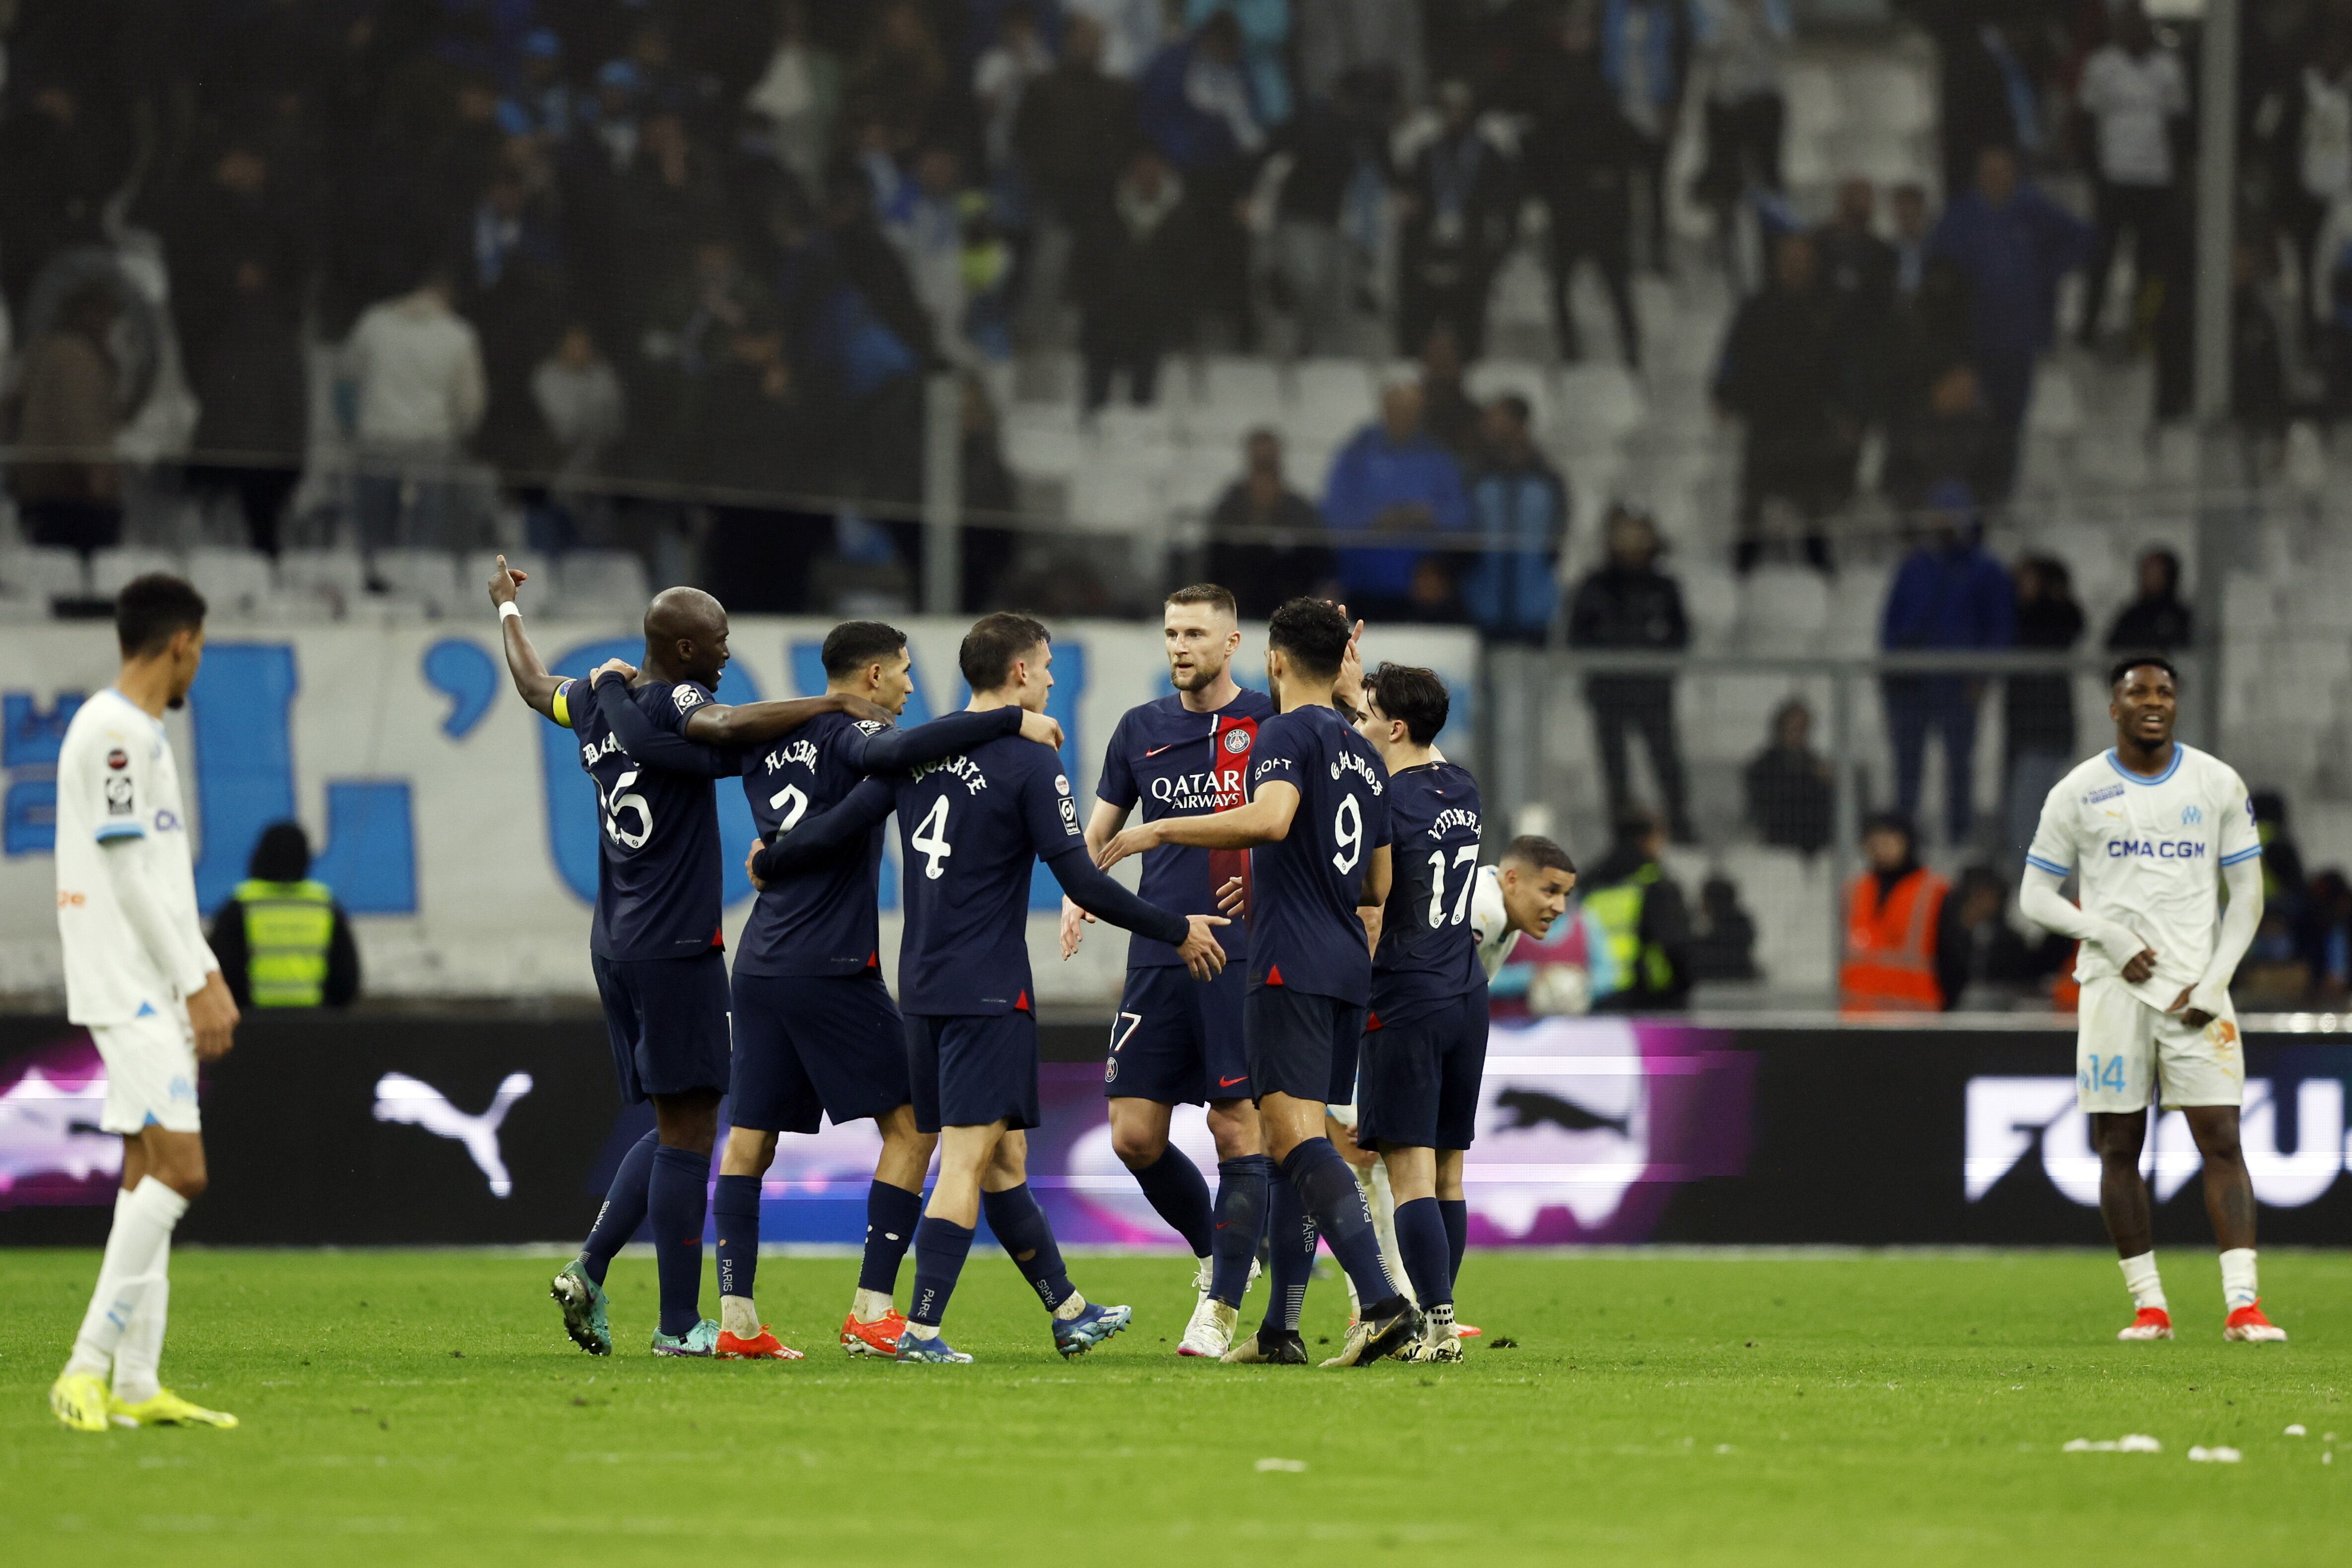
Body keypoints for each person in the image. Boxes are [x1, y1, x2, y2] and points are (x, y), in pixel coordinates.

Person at [757, 613, 1228, 1364]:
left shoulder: (919, 752)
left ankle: (1068, 1308)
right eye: (1042, 667)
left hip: (922, 983)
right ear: (1017, 673)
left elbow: (841, 822)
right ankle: (919, 1329)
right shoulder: (1029, 761)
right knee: (969, 1161)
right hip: (988, 990)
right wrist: (1175, 927)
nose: (1048, 679)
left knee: (1003, 1156)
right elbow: (1080, 880)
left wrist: (775, 859)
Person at [604, 620, 1064, 1357]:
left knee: (749, 1140)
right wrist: (1010, 719)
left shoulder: (759, 737)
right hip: (831, 964)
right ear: (873, 677)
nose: (913, 686)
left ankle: (737, 1319)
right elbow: (904, 754)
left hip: (758, 963)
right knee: (914, 1128)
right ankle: (873, 1309)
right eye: (905, 672)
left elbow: (656, 747)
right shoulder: (852, 734)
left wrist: (605, 690)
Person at [488, 561, 880, 1358]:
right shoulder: (672, 700)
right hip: (675, 944)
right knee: (690, 1130)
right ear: (684, 645)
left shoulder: (602, 704)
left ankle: (593, 1268)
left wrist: (506, 610)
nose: (729, 653)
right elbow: (727, 727)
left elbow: (533, 687)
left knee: (679, 1122)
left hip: (617, 942)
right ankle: (677, 1324)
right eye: (720, 641)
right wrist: (833, 701)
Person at [1097, 598, 1421, 1368]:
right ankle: (1279, 1330)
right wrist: (1272, 878)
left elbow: (1272, 818)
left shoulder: (1279, 732)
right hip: (1344, 958)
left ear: (1272, 660)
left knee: (1294, 1138)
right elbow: (1374, 879)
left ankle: (1380, 1301)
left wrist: (1160, 827)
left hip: (1288, 961)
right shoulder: (1361, 749)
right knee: (1288, 1147)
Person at [2018, 656, 2282, 1344]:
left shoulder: (2215, 781)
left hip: (2200, 988)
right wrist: (2103, 930)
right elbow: (2035, 895)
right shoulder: (2078, 791)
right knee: (2117, 1144)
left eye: (2164, 690)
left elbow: (2247, 892)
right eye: (2138, 691)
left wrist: (2218, 978)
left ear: (2176, 704)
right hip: (2112, 991)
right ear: (2114, 706)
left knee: (2221, 1137)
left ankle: (2243, 1306)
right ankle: (2149, 1307)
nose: (2153, 700)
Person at [1061, 585, 1279, 1359]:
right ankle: (1218, 1254)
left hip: (1243, 951)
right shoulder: (1140, 728)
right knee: (1134, 1133)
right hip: (1157, 950)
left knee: (1233, 1125)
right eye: (1170, 632)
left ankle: (1218, 1309)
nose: (1178, 646)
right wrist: (1077, 894)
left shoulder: (1269, 723)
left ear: (1232, 643)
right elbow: (1099, 831)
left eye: (1194, 633)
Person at [48, 575, 242, 1433]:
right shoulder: (117, 734)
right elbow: (126, 873)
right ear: (183, 642)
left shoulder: (136, 735)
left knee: (142, 1170)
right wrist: (199, 975)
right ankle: (84, 1367)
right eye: (200, 645)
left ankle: (134, 1379)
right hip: (130, 983)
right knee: (182, 1169)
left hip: (143, 980)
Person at [1351, 662, 1488, 1363]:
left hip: (1406, 992)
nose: (1355, 722)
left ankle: (1435, 1325)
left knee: (1406, 1175)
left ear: (1395, 727)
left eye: (1365, 712)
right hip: (1467, 993)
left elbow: (1369, 900)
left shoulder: (1380, 802)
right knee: (1447, 1174)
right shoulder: (1463, 787)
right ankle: (1446, 1316)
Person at [1926, 146, 2092, 498]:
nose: (1995, 179)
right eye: (1988, 171)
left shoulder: (2032, 209)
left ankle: (2001, 491)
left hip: (2018, 339)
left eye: (2002, 171)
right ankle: (1968, 491)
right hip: (1973, 341)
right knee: (1970, 420)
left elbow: (2082, 237)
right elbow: (1938, 268)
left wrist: (2047, 273)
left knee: (2010, 420)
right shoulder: (1960, 216)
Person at [1712, 231, 1855, 573]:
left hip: (1811, 423)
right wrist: (1723, 396)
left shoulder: (1831, 309)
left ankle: (1820, 570)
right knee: (1752, 502)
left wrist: (1848, 412)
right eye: (1788, 260)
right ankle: (1742, 569)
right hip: (1765, 422)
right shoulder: (1755, 308)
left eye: (1802, 260)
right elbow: (1731, 358)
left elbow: (1844, 367)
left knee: (1813, 508)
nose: (1795, 267)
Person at [1880, 482, 2013, 847]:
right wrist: (1891, 674)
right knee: (1907, 768)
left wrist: (1981, 675)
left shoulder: (1985, 570)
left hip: (1957, 684)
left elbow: (1998, 628)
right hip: (1910, 684)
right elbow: (1891, 623)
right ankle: (1903, 841)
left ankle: (1959, 839)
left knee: (1959, 766)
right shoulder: (1915, 566)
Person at [1568, 507, 1695, 844]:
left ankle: (1680, 824)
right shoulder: (1595, 585)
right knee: (1615, 767)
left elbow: (1680, 634)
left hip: (1652, 690)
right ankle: (1622, 833)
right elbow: (1576, 634)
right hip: (1609, 691)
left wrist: (1655, 658)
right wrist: (1606, 653)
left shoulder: (1663, 586)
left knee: (1665, 759)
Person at [349, 268, 489, 553]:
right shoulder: (458, 334)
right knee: (426, 546)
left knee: (375, 541)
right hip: (432, 450)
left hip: (378, 445)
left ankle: (373, 595)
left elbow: (348, 378)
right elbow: (471, 406)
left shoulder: (373, 324)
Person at [2075, 4, 2187, 351]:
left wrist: (2178, 177)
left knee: (2149, 263)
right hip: (2114, 179)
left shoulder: (2168, 68)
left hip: (2155, 182)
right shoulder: (2100, 66)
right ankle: (2088, 327)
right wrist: (2094, 176)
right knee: (2101, 259)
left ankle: (2143, 331)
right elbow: (2085, 123)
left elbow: (2179, 126)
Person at [1321, 379, 1470, 623]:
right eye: (1397, 409)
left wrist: (1426, 516)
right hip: (1362, 583)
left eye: (1411, 411)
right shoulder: (1357, 454)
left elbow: (1460, 517)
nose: (1404, 417)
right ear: (1384, 409)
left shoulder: (1438, 458)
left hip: (1424, 588)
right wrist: (1377, 519)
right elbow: (1335, 512)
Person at [8, 280, 124, 557]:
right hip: (75, 499)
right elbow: (81, 431)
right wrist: (100, 483)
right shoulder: (76, 357)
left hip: (42, 495)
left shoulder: (42, 351)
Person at [206, 822, 361, 1010]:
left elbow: (219, 970)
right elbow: (346, 979)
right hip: (315, 1025)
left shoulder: (241, 905)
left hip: (253, 1027)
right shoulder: (324, 905)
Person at [1461, 395, 1571, 645]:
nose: (1490, 430)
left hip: (1533, 605)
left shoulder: (1548, 480)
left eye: (1498, 422)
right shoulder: (1475, 477)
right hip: (1482, 603)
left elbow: (1557, 537)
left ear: (1519, 424)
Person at [2005, 556, 2084, 863]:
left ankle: (2038, 873)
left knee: (2032, 810)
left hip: (2048, 732)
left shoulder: (2056, 618)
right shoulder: (2013, 617)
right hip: (2020, 730)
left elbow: (2073, 626)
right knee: (2023, 808)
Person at [1206, 430, 1335, 615]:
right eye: (1261, 465)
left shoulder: (1301, 512)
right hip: (1239, 610)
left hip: (1292, 611)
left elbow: (1320, 565)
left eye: (1269, 465)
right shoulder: (1229, 510)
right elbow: (1215, 568)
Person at [1583, 807, 1692, 1010]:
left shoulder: (1590, 886)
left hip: (1598, 996)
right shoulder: (1656, 884)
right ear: (1647, 839)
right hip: (1652, 1000)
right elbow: (1676, 946)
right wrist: (1684, 988)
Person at [1840, 811, 1948, 1013]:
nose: (1881, 847)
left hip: (1915, 1023)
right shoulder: (1854, 891)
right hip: (1858, 1023)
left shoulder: (1934, 892)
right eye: (1875, 840)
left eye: (1889, 838)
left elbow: (1951, 963)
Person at [1742, 697, 1831, 855]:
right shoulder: (1762, 767)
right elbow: (1763, 811)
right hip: (1778, 846)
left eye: (1803, 727)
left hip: (1817, 846)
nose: (1798, 732)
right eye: (1794, 726)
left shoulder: (1816, 765)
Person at [2105, 546, 2193, 654]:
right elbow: (2113, 649)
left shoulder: (2180, 616)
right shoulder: (2131, 615)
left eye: (2156, 571)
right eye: (2146, 570)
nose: (2149, 577)